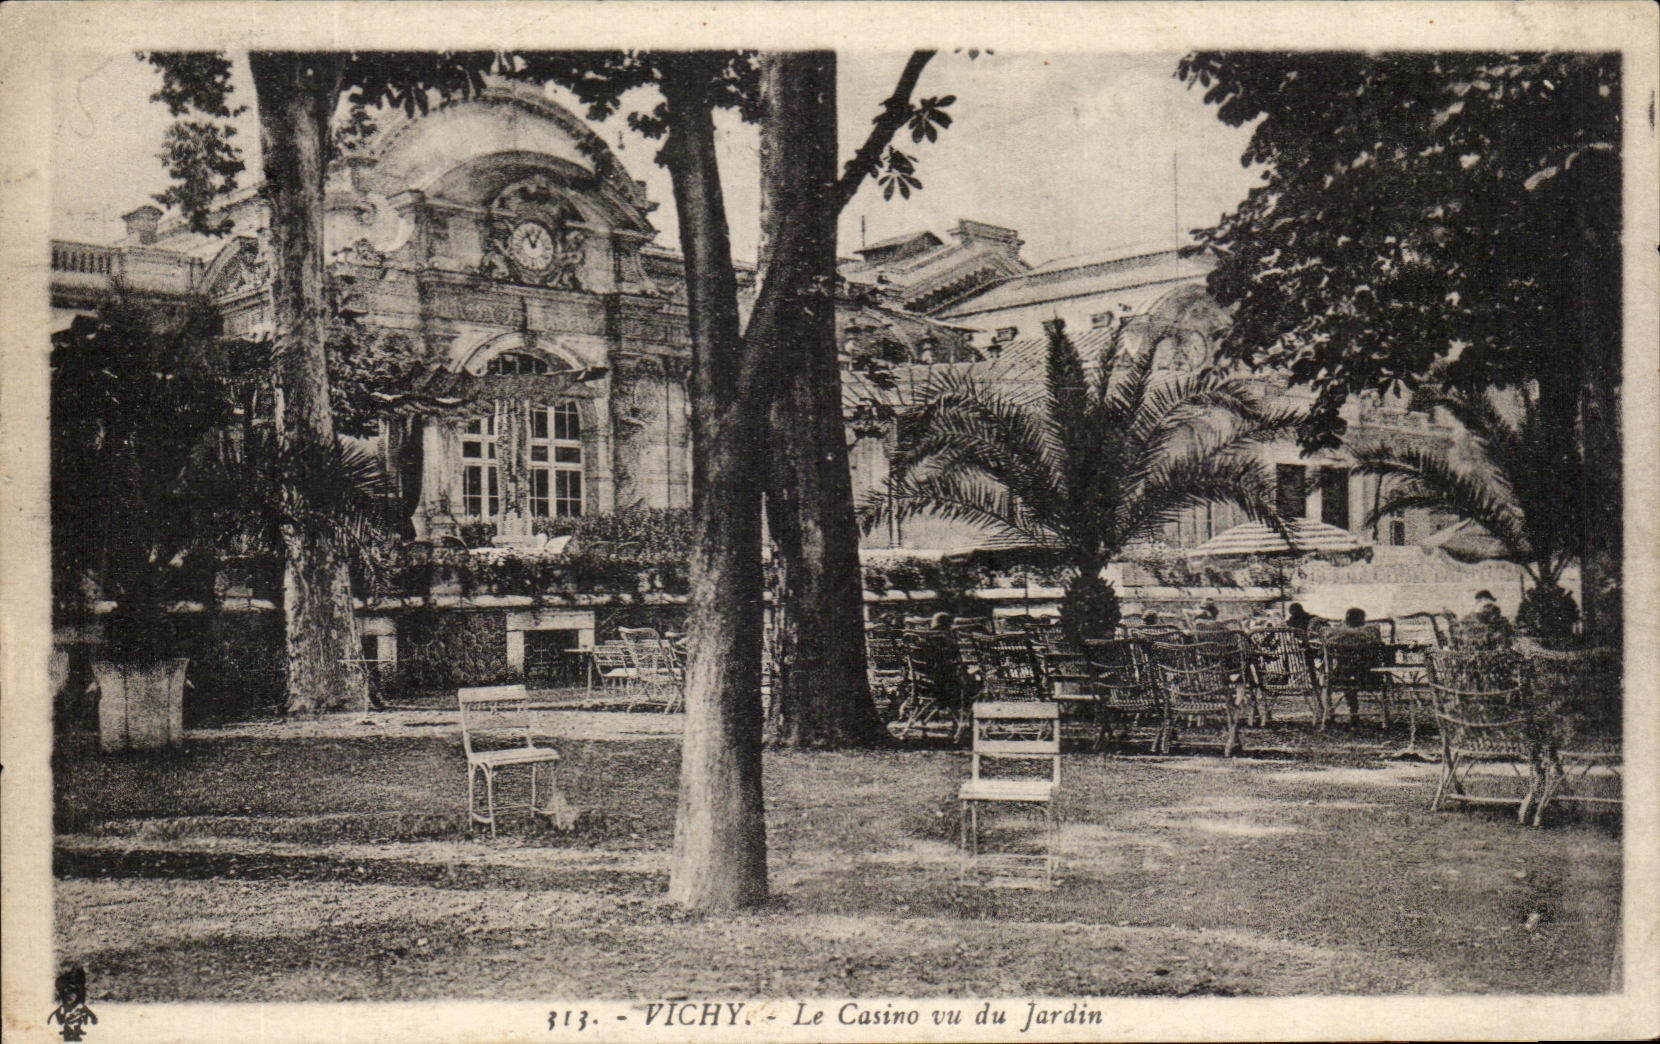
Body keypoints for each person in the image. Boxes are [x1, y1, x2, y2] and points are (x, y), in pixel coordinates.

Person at [1322, 607, 1387, 725]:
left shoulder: (1335, 636)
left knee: (1347, 670)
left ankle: (1350, 710)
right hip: (1370, 678)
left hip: (1340, 679)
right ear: (1362, 620)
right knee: (1356, 669)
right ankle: (1381, 716)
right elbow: (1381, 652)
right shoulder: (1370, 634)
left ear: (1346, 621)